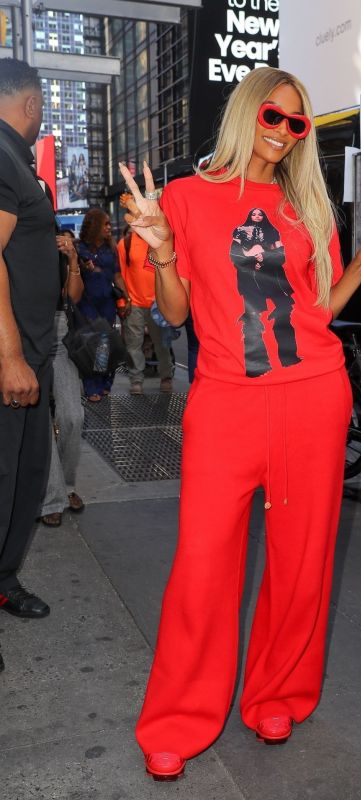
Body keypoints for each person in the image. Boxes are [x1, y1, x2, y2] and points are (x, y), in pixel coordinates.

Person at [120, 66, 361, 781]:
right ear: (249, 112)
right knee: (202, 565)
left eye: (298, 124)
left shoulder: (305, 205)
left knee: (302, 559)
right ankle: (178, 720)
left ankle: (277, 693)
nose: (283, 133)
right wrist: (159, 245)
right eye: (274, 116)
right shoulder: (186, 198)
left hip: (316, 393)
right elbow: (179, 314)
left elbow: (319, 310)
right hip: (227, 401)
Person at [0, 58, 61, 628]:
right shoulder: (1, 155)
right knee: (4, 483)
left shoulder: (15, 161)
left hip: (33, 355)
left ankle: (4, 581)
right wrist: (11, 356)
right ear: (32, 104)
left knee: (26, 478)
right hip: (12, 361)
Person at [39, 230, 85, 527]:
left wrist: (72, 259)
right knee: (39, 421)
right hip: (26, 333)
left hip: (59, 331)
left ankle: (66, 485)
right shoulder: (14, 243)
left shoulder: (57, 246)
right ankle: (52, 497)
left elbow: (75, 296)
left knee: (73, 416)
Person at [230, 206, 299, 376]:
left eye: (260, 213)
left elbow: (281, 254)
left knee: (284, 313)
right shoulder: (240, 231)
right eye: (253, 213)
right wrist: (252, 255)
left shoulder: (272, 231)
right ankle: (257, 365)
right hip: (249, 277)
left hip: (273, 276)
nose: (257, 216)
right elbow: (234, 254)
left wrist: (266, 256)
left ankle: (289, 358)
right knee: (252, 318)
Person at [77, 208, 131, 402]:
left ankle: (105, 382)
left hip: (108, 303)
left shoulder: (111, 248)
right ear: (94, 226)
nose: (109, 227)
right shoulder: (80, 247)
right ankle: (91, 385)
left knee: (105, 345)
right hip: (87, 303)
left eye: (109, 223)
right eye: (105, 223)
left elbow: (117, 275)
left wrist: (126, 297)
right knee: (91, 345)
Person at [117, 224, 173, 394]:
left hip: (158, 303)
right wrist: (124, 300)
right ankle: (136, 380)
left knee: (162, 344)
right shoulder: (124, 244)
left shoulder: (159, 241)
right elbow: (120, 274)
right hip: (134, 303)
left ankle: (166, 377)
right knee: (134, 345)